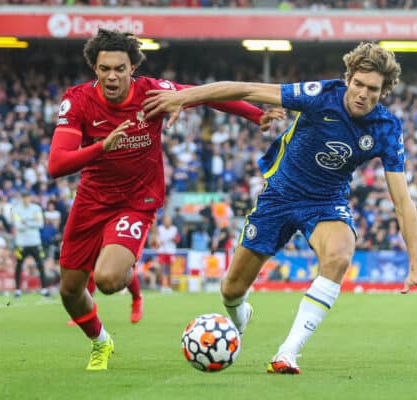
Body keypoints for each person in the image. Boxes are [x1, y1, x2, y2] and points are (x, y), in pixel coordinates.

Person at [143, 42, 417, 374]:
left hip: (325, 203)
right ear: (348, 79)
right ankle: (239, 314)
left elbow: (402, 201)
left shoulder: (386, 128)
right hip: (278, 196)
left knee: (341, 252)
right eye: (357, 84)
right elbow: (247, 88)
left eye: (372, 89)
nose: (362, 93)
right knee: (231, 289)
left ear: (384, 91)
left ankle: (288, 352)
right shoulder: (320, 95)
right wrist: (183, 98)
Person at [46, 28, 282, 371]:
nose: (112, 76)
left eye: (120, 68)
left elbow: (206, 96)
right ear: (94, 69)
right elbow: (56, 164)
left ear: (132, 69)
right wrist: (101, 147)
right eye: (104, 69)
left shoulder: (153, 93)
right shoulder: (79, 100)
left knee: (109, 280)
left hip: (136, 200)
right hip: (92, 199)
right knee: (69, 291)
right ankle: (101, 342)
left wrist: (254, 115)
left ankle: (124, 269)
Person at [11, 191, 50, 298]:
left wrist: (25, 222)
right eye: (24, 197)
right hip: (21, 244)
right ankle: (18, 290)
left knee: (41, 265)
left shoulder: (36, 208)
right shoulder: (16, 209)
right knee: (18, 266)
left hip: (35, 242)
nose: (26, 199)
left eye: (27, 197)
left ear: (30, 198)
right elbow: (18, 226)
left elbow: (40, 224)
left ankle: (44, 289)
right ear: (21, 198)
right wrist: (31, 222)